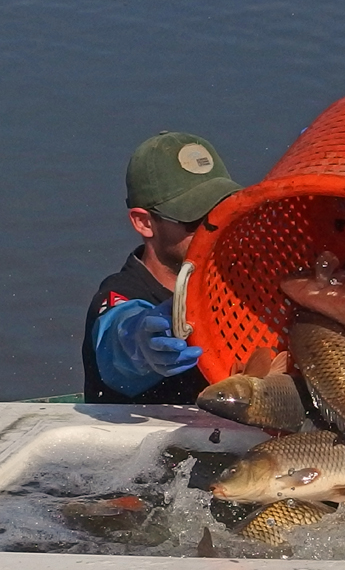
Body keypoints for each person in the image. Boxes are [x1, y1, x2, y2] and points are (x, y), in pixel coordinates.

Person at [82, 131, 242, 403]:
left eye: (222, 212)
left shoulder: (244, 284)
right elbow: (117, 334)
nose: (213, 230)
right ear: (144, 223)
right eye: (194, 221)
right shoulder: (119, 294)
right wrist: (140, 345)